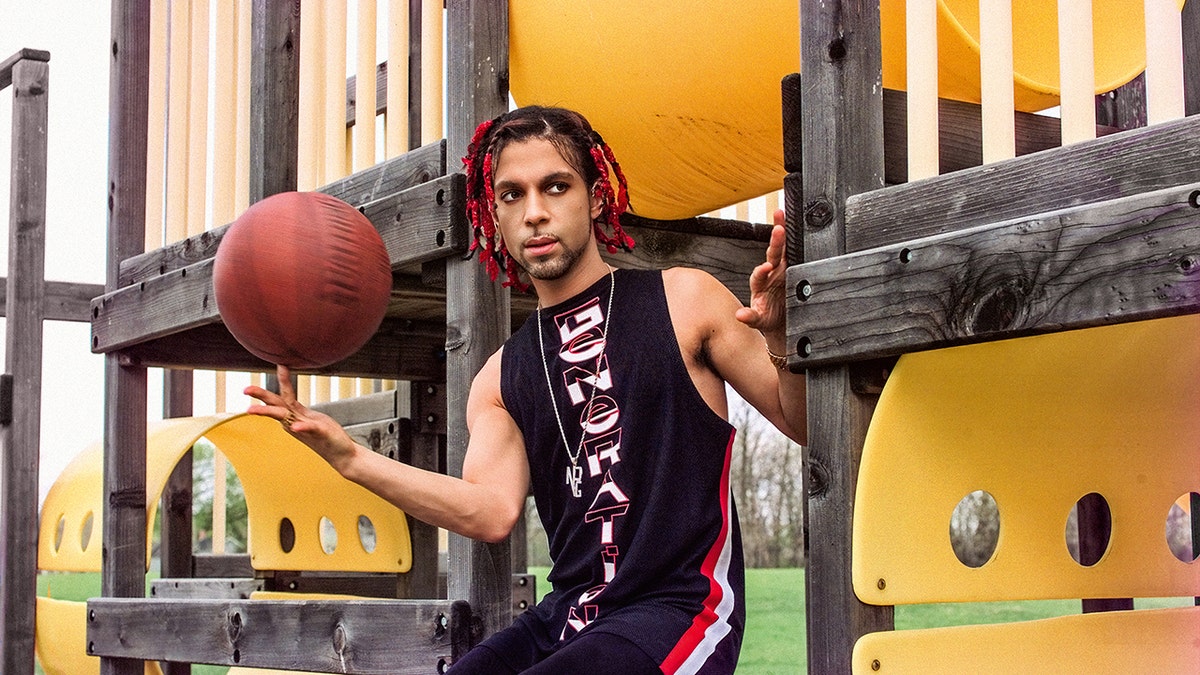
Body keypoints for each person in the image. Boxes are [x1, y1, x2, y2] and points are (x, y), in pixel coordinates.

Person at [245, 105, 806, 674]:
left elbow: (800, 421)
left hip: (680, 612)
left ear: (593, 197)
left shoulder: (686, 301)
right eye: (512, 195)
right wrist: (346, 457)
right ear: (494, 215)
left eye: (555, 187)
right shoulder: (500, 375)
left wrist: (783, 333)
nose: (534, 212)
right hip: (568, 617)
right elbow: (489, 512)